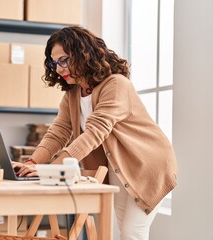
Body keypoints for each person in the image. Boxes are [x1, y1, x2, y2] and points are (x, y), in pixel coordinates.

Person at [12, 26, 178, 240]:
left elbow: (94, 133)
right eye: (54, 63)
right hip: (117, 165)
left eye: (64, 60)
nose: (59, 68)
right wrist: (33, 163)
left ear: (83, 54)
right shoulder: (72, 94)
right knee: (124, 228)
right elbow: (58, 132)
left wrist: (50, 170)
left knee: (132, 232)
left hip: (147, 165)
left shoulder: (116, 84)